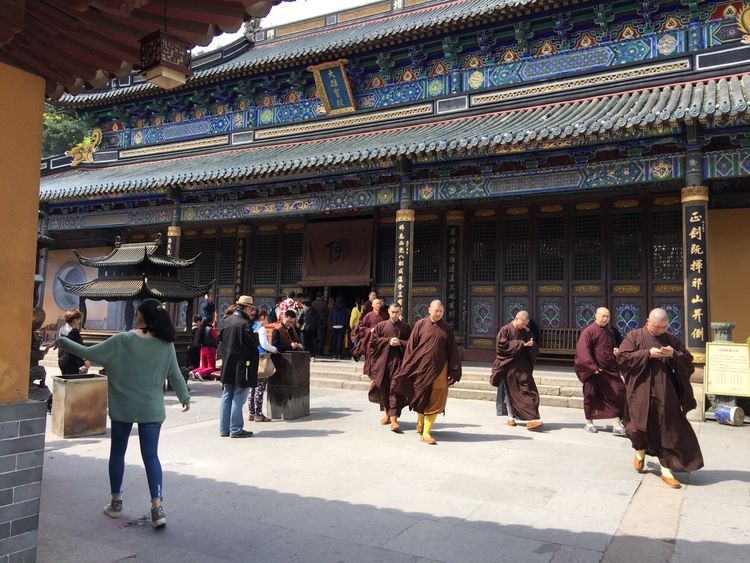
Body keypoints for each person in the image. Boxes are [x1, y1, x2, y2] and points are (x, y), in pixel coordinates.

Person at [57, 299, 190, 529]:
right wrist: (184, 398)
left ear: (139, 315)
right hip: (151, 409)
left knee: (117, 454)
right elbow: (175, 375)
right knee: (151, 456)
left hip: (123, 408)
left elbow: (90, 353)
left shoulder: (122, 340)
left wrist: (62, 341)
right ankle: (157, 508)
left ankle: (116, 503)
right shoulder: (165, 345)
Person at [616, 308, 703, 489]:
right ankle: (640, 451)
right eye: (656, 327)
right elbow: (623, 358)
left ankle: (666, 470)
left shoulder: (671, 339)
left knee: (667, 430)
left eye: (663, 327)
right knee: (637, 426)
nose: (659, 331)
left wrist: (673, 355)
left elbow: (688, 360)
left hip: (665, 392)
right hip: (639, 391)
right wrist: (647, 354)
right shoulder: (634, 336)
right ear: (648, 321)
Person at [392, 300, 462, 445]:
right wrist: (408, 366)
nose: (438, 313)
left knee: (437, 398)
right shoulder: (420, 325)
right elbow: (411, 347)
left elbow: (452, 350)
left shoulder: (446, 328)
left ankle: (426, 433)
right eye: (436, 311)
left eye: (441, 311)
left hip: (440, 369)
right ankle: (420, 422)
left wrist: (454, 370)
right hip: (421, 369)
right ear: (429, 310)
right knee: (421, 394)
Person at [574, 307, 627, 435]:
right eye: (603, 316)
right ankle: (589, 423)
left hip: (609, 369)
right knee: (591, 395)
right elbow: (582, 350)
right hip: (594, 371)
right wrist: (591, 367)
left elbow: (614, 347)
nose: (605, 318)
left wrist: (617, 352)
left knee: (617, 393)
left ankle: (616, 423)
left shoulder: (610, 332)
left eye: (607, 316)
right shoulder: (589, 331)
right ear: (596, 316)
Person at [490, 310, 543, 431]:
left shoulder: (527, 331)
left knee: (529, 391)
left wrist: (531, 346)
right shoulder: (505, 330)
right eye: (522, 323)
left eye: (526, 324)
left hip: (523, 367)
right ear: (516, 318)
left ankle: (532, 419)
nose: (523, 326)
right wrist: (521, 344)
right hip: (509, 367)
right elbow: (501, 347)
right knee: (510, 393)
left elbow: (533, 347)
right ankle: (510, 417)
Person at [218, 295, 259, 438]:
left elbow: (221, 340)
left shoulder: (226, 321)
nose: (251, 312)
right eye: (251, 309)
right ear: (247, 308)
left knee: (226, 394)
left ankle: (224, 429)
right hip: (242, 365)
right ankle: (235, 429)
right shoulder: (244, 324)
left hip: (227, 362)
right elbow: (253, 344)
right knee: (239, 396)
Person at [368, 303, 411, 432]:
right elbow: (372, 343)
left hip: (399, 364)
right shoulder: (381, 326)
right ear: (388, 311)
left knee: (395, 389)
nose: (394, 314)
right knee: (384, 388)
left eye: (397, 312)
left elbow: (412, 344)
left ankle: (393, 419)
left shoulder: (405, 327)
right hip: (383, 364)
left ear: (400, 312)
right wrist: (387, 341)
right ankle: (387, 413)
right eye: (392, 312)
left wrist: (401, 343)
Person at [248, 310, 277, 423]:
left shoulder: (250, 326)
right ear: (262, 317)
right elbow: (264, 344)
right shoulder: (261, 328)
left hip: (250, 358)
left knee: (252, 388)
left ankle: (251, 413)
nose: (267, 321)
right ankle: (258, 414)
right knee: (260, 388)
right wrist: (274, 349)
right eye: (266, 318)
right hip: (260, 358)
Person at [357, 298, 388, 377]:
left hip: (381, 340)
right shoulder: (368, 315)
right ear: (372, 305)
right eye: (376, 303)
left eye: (379, 303)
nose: (378, 305)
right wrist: (370, 330)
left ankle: (379, 372)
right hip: (371, 339)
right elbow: (361, 327)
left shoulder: (384, 315)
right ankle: (369, 371)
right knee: (370, 356)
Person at [57, 309, 91, 375]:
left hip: (62, 360)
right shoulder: (74, 330)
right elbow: (79, 347)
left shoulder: (62, 328)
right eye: (79, 319)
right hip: (71, 361)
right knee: (73, 382)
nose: (80, 321)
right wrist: (85, 360)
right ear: (75, 320)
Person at [312, 291, 329, 357]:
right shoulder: (324, 304)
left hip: (314, 323)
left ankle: (315, 351)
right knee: (321, 337)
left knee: (315, 337)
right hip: (322, 323)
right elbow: (327, 314)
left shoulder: (313, 303)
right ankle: (319, 351)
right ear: (322, 296)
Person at [349, 297, 363, 361]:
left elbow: (353, 318)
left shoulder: (355, 309)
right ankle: (359, 354)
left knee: (355, 341)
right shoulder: (363, 308)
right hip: (362, 327)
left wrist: (351, 326)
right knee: (360, 341)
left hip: (355, 327)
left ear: (355, 302)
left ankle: (355, 354)